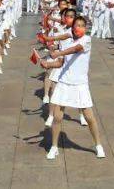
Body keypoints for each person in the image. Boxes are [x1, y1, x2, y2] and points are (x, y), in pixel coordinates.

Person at [39, 16, 106, 160]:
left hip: (80, 84)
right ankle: (54, 147)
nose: (79, 28)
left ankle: (98, 145)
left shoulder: (86, 40)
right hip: (64, 83)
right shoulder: (67, 42)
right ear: (72, 28)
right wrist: (48, 64)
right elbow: (60, 63)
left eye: (82, 25)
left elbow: (76, 49)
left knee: (89, 117)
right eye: (77, 25)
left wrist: (58, 52)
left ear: (86, 28)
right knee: (57, 117)